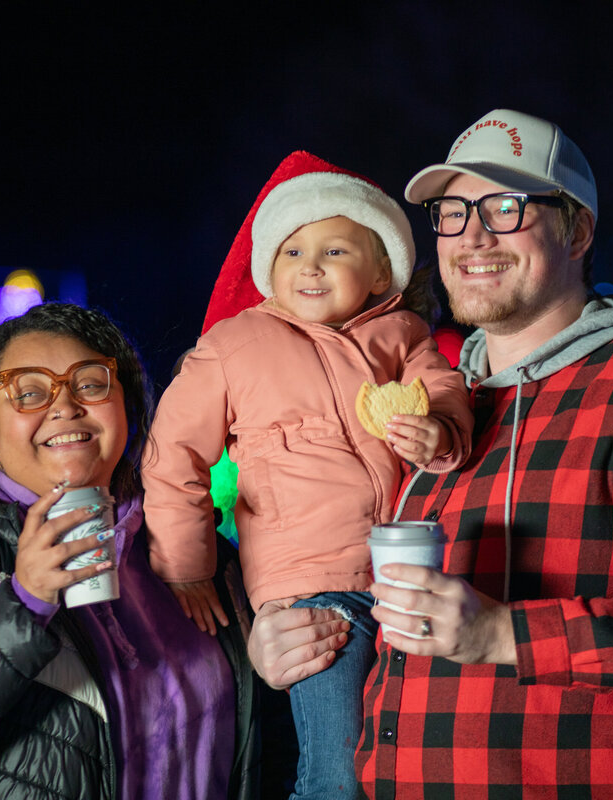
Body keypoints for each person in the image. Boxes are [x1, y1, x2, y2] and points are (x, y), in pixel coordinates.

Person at [246, 110, 613, 798]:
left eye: (506, 208)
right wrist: (288, 635)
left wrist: (504, 634)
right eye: (452, 213)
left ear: (577, 232)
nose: (472, 236)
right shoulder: (434, 408)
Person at [141, 151, 474, 799]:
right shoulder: (235, 345)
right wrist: (187, 566)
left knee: (412, 765)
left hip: (407, 578)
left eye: (335, 251)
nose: (310, 266)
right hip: (311, 594)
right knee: (338, 774)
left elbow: (445, 391)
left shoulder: (404, 336)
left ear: (380, 272)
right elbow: (173, 453)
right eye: (291, 252)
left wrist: (439, 431)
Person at [0, 302, 257, 800]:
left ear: (127, 406)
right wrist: (23, 603)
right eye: (29, 392)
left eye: (91, 384)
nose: (65, 406)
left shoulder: (198, 552)